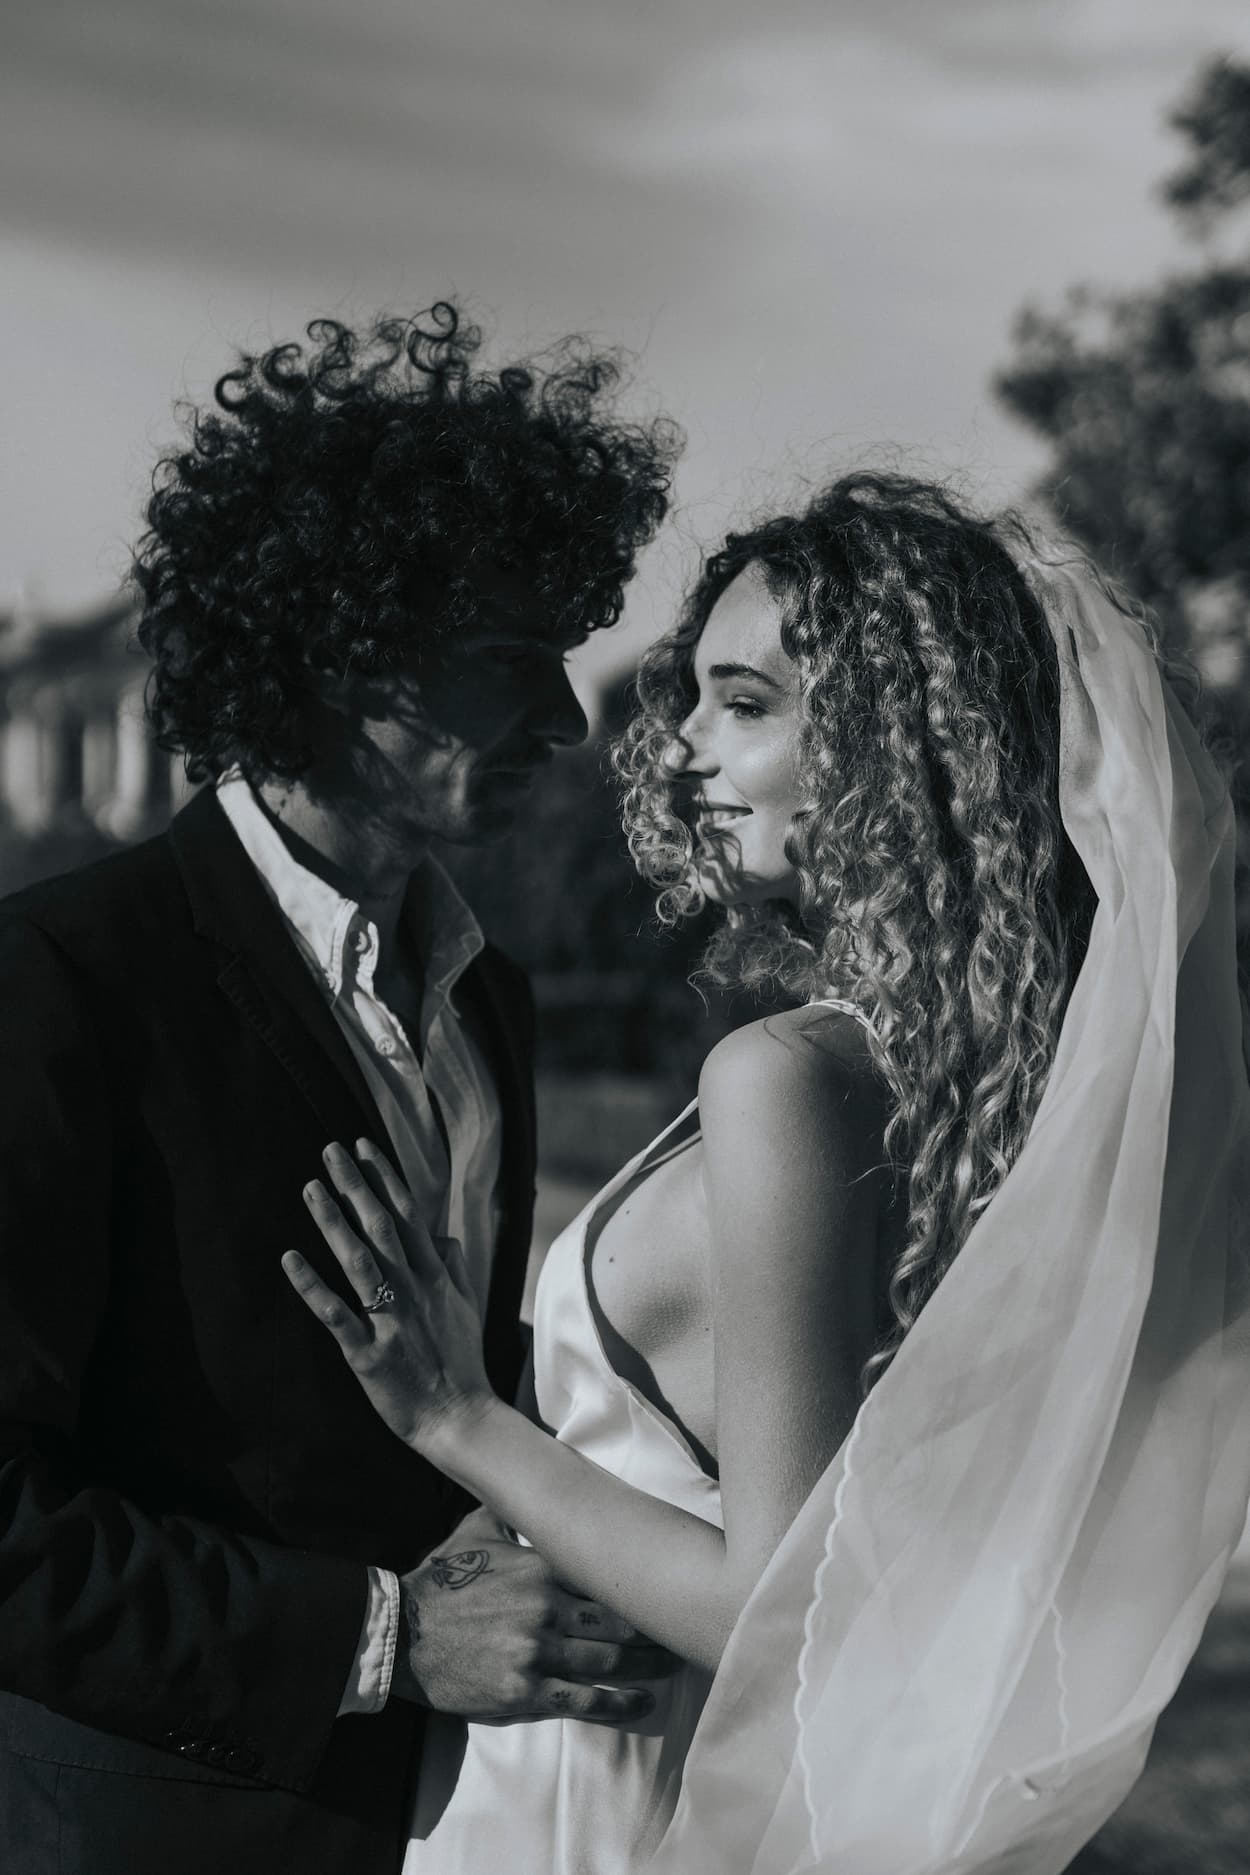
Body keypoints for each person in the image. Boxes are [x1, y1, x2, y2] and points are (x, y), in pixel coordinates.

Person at [288, 472, 1250, 1874]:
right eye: (691, 695)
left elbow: (781, 1612)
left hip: (613, 1791)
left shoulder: (788, 1082)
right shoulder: (979, 1092)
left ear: (898, 745)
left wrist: (454, 1416)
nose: (674, 747)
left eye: (743, 703)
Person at [0, 305, 681, 1875]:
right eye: (516, 659)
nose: (571, 723)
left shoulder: (485, 993)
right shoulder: (61, 982)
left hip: (461, 1823)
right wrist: (379, 1641)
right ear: (337, 649)